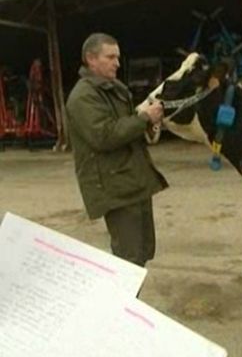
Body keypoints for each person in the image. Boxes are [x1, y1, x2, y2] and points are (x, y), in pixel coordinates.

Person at [66, 32, 167, 267]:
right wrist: (143, 119)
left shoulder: (115, 89)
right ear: (91, 59)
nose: (117, 63)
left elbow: (126, 128)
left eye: (118, 57)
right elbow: (104, 136)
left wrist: (148, 124)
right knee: (128, 259)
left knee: (142, 252)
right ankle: (122, 304)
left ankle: (130, 304)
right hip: (115, 187)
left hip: (134, 181)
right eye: (110, 57)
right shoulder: (82, 96)